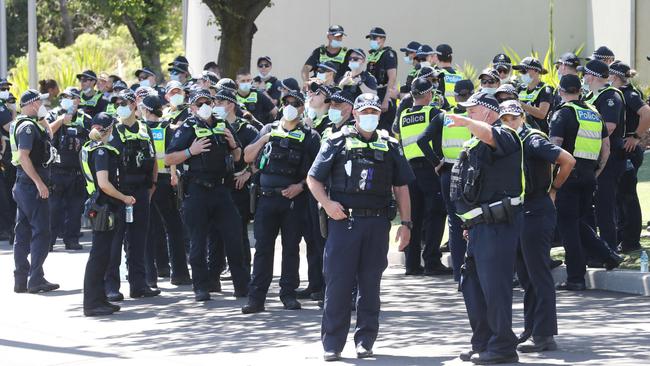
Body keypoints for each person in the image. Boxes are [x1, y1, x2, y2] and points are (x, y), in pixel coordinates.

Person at [307, 93, 413, 361]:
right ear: (354, 114)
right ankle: (332, 343)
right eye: (365, 111)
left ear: (379, 115)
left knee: (370, 286)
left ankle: (365, 341)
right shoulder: (337, 141)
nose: (370, 116)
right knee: (338, 285)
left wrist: (407, 224)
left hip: (377, 223)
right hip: (345, 222)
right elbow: (313, 179)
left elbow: (401, 187)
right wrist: (328, 204)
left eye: (374, 112)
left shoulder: (389, 145)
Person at [445, 92, 523, 364]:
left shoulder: (505, 135)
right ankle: (483, 342)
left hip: (497, 227)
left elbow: (490, 136)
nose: (468, 115)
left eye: (473, 111)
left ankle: (502, 347)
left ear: (490, 113)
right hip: (477, 228)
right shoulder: (473, 144)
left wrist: (466, 122)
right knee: (473, 288)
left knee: (495, 289)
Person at [497, 100, 576, 352]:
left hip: (536, 210)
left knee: (538, 274)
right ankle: (532, 329)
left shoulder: (532, 139)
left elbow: (567, 160)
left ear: (522, 117)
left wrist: (554, 189)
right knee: (526, 276)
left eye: (513, 117)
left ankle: (544, 335)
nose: (509, 122)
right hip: (521, 212)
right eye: (504, 118)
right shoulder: (510, 141)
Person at [242, 83, 321, 314]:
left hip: (293, 200)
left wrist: (299, 187)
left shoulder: (310, 136)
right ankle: (256, 298)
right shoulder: (268, 129)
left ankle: (288, 294)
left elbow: (316, 172)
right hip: (266, 199)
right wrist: (264, 139)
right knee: (263, 249)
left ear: (301, 108)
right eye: (286, 103)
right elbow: (247, 156)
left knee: (290, 249)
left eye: (295, 104)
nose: (290, 107)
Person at [165, 89, 249, 301]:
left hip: (221, 189)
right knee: (198, 242)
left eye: (207, 102)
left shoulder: (222, 124)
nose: (204, 106)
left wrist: (233, 144)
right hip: (197, 189)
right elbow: (169, 159)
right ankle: (201, 287)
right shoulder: (187, 127)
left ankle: (242, 286)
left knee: (234, 237)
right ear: (192, 107)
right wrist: (190, 152)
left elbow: (238, 157)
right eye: (199, 103)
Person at [549, 75, 623, 291]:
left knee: (568, 226)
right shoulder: (593, 113)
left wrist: (553, 180)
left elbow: (555, 148)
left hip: (567, 176)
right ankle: (607, 254)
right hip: (589, 175)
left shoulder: (562, 113)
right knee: (578, 222)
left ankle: (575, 277)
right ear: (580, 91)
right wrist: (596, 171)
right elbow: (606, 148)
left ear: (561, 92)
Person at [104, 89, 160, 301]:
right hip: (119, 193)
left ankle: (139, 284)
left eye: (125, 102)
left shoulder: (145, 129)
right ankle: (110, 286)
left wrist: (152, 185)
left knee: (139, 240)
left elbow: (153, 160)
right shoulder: (112, 130)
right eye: (117, 102)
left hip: (141, 192)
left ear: (135, 105)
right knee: (115, 241)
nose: (121, 106)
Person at [416, 79, 475, 280]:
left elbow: (421, 140)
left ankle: (460, 275)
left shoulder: (444, 116)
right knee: (474, 220)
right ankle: (474, 272)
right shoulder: (475, 117)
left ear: (455, 96)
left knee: (455, 223)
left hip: (449, 173)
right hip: (472, 174)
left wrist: (436, 163)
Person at [395, 77, 450, 275]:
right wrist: (437, 162)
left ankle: (412, 264)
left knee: (414, 216)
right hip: (429, 168)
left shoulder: (403, 116)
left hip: (409, 171)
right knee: (436, 214)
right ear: (428, 94)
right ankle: (432, 261)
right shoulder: (434, 113)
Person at [80, 113, 133, 316]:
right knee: (99, 255)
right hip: (104, 205)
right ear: (109, 129)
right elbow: (104, 184)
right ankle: (92, 303)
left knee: (102, 255)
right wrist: (124, 197)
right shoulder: (101, 151)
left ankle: (99, 299)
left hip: (100, 204)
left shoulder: (89, 147)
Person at [10, 89, 59, 294]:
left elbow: (48, 135)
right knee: (42, 232)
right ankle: (35, 279)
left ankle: (21, 279)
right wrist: (39, 183)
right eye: (39, 102)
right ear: (32, 104)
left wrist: (43, 118)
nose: (42, 105)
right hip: (31, 184)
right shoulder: (28, 128)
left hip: (24, 184)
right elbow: (24, 157)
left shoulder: (28, 123)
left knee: (22, 232)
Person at [141, 95, 191, 287]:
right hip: (165, 182)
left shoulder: (139, 129)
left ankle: (150, 275)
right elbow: (172, 154)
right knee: (174, 228)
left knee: (148, 228)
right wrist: (173, 175)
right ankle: (178, 274)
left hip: (145, 183)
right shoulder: (166, 128)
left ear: (145, 110)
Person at [211, 89, 260, 276]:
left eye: (219, 102)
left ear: (230, 104)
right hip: (218, 184)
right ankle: (214, 273)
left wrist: (247, 173)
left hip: (238, 187)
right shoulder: (213, 126)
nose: (214, 106)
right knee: (215, 232)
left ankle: (243, 271)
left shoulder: (246, 129)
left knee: (238, 231)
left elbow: (259, 155)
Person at [581, 59, 626, 251]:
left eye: (585, 74)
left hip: (610, 157)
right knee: (595, 205)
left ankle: (609, 248)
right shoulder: (591, 95)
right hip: (593, 157)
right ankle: (597, 247)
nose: (583, 77)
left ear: (591, 76)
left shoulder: (610, 96)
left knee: (605, 205)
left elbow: (609, 126)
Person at [609, 61, 650, 253]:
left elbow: (647, 113)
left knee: (627, 197)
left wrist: (636, 137)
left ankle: (630, 240)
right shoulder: (621, 93)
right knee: (620, 196)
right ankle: (623, 236)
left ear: (615, 77)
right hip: (623, 149)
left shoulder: (629, 95)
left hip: (628, 149)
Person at [46, 87, 92, 251]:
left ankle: (71, 239)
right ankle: (49, 240)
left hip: (77, 171)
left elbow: (93, 138)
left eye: (71, 97)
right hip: (56, 170)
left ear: (78, 100)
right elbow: (46, 131)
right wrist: (61, 121)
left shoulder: (85, 118)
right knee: (53, 208)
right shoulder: (53, 115)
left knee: (75, 208)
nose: (66, 99)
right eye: (64, 97)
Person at [365, 27, 398, 132]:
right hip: (374, 92)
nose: (372, 41)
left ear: (383, 39)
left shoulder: (389, 54)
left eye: (375, 38)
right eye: (371, 38)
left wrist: (386, 100)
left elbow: (392, 77)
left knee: (384, 129)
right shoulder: (373, 54)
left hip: (384, 93)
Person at [513, 57, 553, 133]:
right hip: (521, 132)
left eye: (524, 71)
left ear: (536, 71)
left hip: (540, 134)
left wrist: (520, 104)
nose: (522, 74)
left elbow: (542, 114)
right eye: (520, 72)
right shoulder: (520, 89)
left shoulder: (545, 89)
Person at [1, 80, 18, 243]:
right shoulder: (1, 108)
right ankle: (7, 229)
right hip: (4, 155)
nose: (5, 91)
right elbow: (9, 127)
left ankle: (8, 229)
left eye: (7, 88)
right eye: (3, 89)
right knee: (6, 194)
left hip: (6, 153)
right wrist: (13, 112)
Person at [433, 44, 462, 108]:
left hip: (443, 114)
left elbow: (434, 98)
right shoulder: (460, 74)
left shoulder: (437, 75)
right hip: (458, 114)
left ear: (437, 57)